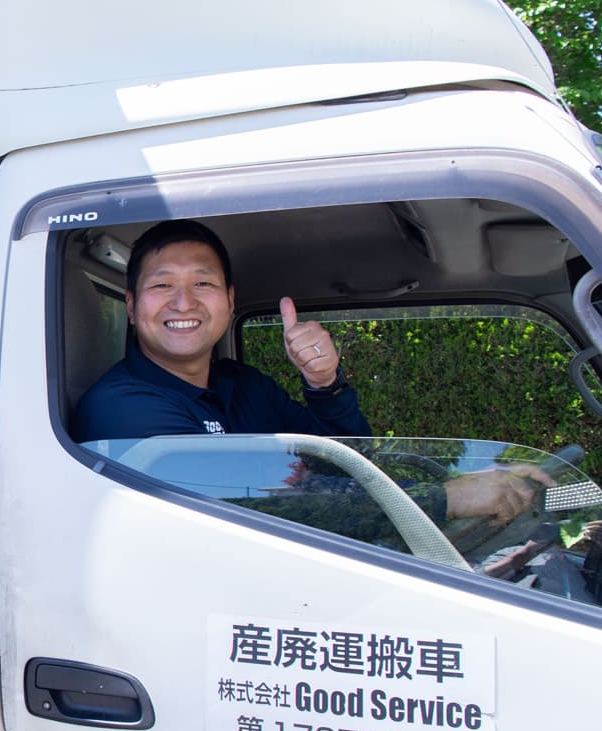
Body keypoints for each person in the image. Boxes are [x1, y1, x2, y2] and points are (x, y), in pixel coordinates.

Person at [71, 218, 546, 523]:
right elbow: (259, 509)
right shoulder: (121, 410)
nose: (183, 302)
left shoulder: (242, 384)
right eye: (162, 285)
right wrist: (445, 498)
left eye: (203, 282)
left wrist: (325, 384)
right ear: (132, 307)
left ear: (229, 300)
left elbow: (345, 464)